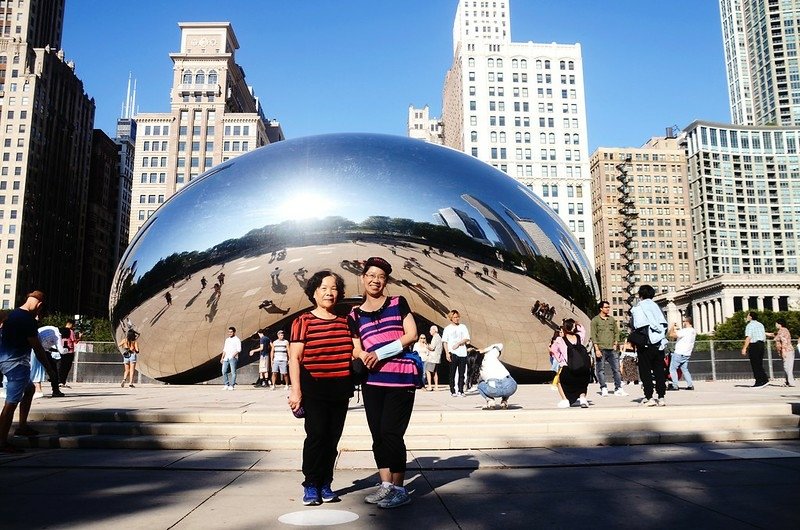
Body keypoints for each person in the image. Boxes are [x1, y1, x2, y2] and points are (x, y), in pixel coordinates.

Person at [348, 256, 418, 509]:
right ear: (363, 277)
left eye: (381, 277)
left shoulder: (398, 302)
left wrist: (381, 352)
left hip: (400, 377)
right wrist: (362, 354)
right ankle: (386, 485)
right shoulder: (355, 314)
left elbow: (411, 334)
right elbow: (355, 348)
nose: (376, 280)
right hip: (372, 380)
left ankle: (400, 488)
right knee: (377, 434)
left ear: (385, 281)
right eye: (371, 275)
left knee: (391, 433)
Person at [287, 270, 354, 506]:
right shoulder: (302, 321)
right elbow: (294, 358)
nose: (329, 293)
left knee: (332, 439)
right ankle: (311, 484)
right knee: (316, 437)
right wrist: (296, 391)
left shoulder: (346, 321)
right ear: (314, 292)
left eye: (334, 288)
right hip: (314, 387)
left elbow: (355, 351)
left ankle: (326, 482)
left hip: (341, 388)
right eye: (324, 288)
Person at [0, 291, 58, 453]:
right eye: (40, 310)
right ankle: (2, 442)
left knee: (30, 389)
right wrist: (49, 369)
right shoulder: (28, 320)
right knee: (11, 403)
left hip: (7, 360)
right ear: (39, 305)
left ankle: (23, 426)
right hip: (16, 364)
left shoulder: (14, 314)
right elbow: (38, 349)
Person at [630, 284, 669, 406]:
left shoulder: (638, 308)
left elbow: (634, 325)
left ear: (640, 295)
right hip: (659, 344)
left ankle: (649, 396)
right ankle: (661, 397)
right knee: (659, 371)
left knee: (645, 371)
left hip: (645, 345)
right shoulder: (657, 308)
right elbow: (664, 325)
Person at [550, 319, 590, 408]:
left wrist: (560, 360)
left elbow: (553, 350)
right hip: (582, 367)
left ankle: (565, 400)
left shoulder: (560, 340)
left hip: (567, 367)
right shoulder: (579, 337)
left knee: (559, 381)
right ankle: (582, 398)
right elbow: (583, 330)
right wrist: (577, 324)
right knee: (582, 383)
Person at [590, 300, 625, 397]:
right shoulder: (595, 320)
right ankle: (603, 388)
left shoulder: (612, 320)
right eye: (606, 307)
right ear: (601, 308)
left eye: (608, 307)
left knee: (616, 369)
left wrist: (615, 343)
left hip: (612, 349)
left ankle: (618, 388)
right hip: (601, 348)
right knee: (600, 369)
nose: (608, 309)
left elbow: (616, 332)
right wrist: (596, 349)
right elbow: (593, 335)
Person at [466, 343, 517, 409]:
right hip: (511, 387)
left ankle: (491, 402)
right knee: (507, 380)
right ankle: (504, 401)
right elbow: (500, 345)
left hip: (494, 390)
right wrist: (484, 350)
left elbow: (480, 382)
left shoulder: (478, 370)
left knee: (480, 386)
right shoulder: (490, 355)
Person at [442, 309, 470, 397]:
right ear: (451, 318)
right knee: (452, 372)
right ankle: (452, 390)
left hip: (462, 352)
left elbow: (467, 338)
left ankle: (461, 390)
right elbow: (445, 342)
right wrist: (447, 353)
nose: (457, 319)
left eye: (458, 317)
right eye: (455, 317)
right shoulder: (447, 329)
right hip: (452, 352)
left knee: (462, 373)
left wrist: (459, 343)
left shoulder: (463, 327)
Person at [667, 316, 696, 391]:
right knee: (684, 369)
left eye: (684, 321)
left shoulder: (685, 331)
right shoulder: (693, 331)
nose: (683, 323)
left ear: (686, 322)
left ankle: (675, 385)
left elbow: (671, 335)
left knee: (672, 369)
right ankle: (690, 385)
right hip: (687, 353)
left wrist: (672, 327)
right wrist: (678, 329)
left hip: (679, 352)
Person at [741, 312, 768, 388]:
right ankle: (764, 379)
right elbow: (763, 335)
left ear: (751, 317)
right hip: (761, 344)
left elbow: (748, 337)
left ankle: (759, 381)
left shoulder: (750, 325)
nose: (747, 317)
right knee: (759, 363)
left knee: (755, 364)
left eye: (748, 315)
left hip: (754, 345)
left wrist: (744, 348)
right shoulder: (760, 324)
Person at [36, 325, 64, 397]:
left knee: (30, 369)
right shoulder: (57, 336)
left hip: (34, 347)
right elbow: (61, 350)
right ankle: (55, 390)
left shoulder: (50, 328)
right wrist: (66, 350)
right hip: (41, 350)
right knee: (52, 370)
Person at [767, 318, 795, 387]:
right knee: (786, 366)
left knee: (787, 367)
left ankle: (791, 382)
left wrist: (783, 351)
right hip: (786, 351)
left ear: (780, 324)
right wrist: (764, 333)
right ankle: (787, 381)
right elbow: (774, 335)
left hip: (787, 351)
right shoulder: (781, 331)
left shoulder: (783, 331)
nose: (775, 325)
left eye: (776, 323)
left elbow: (784, 341)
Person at [58, 319, 81, 387]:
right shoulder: (70, 331)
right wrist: (80, 337)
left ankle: (59, 380)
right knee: (67, 367)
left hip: (61, 351)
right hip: (69, 351)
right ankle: (62, 381)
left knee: (61, 366)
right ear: (71, 324)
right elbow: (75, 341)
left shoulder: (60, 331)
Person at [426, 325, 443, 391]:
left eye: (431, 330)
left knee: (428, 370)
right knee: (435, 372)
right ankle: (436, 386)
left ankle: (430, 386)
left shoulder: (435, 337)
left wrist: (427, 346)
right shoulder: (439, 337)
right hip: (437, 357)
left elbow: (432, 348)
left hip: (433, 358)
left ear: (434, 330)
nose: (430, 331)